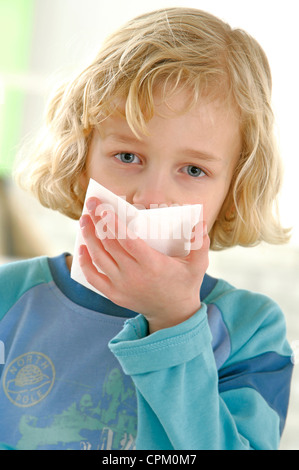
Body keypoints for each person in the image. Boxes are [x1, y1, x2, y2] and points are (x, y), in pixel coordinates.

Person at [0, 7, 293, 450]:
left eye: (193, 169)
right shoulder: (9, 299)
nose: (151, 198)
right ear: (82, 164)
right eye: (128, 157)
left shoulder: (252, 330)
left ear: (232, 192)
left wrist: (175, 323)